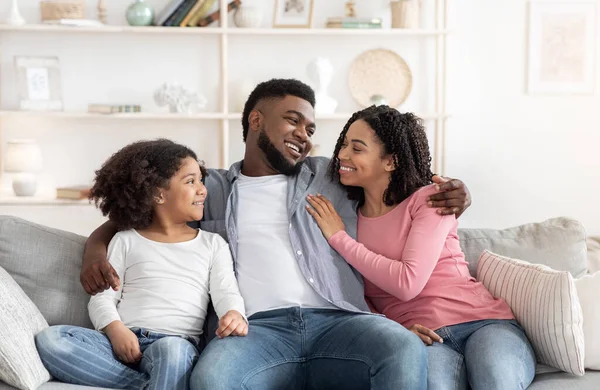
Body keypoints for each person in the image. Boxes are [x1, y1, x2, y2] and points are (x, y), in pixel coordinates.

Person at [80, 79, 472, 390]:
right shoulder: (210, 188)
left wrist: (458, 192)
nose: (304, 133)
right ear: (255, 120)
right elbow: (133, 215)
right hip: (257, 329)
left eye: (311, 127)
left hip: (339, 321)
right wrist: (95, 251)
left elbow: (398, 177)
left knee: (402, 348)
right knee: (211, 379)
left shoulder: (330, 174)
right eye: (293, 120)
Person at [306, 106, 536, 390]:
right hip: (424, 338)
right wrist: (392, 330)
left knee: (495, 381)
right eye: (342, 145)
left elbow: (407, 282)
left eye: (357, 148)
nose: (342, 155)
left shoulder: (432, 200)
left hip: (483, 323)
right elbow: (351, 294)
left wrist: (339, 238)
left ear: (391, 161)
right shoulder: (346, 216)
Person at [36, 139, 247, 390]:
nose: (202, 190)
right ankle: (151, 384)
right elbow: (103, 298)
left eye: (201, 180)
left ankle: (160, 380)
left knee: (173, 352)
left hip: (175, 345)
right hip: (122, 341)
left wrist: (233, 313)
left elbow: (226, 291)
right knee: (52, 339)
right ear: (159, 193)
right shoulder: (125, 240)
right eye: (191, 181)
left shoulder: (213, 245)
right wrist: (116, 331)